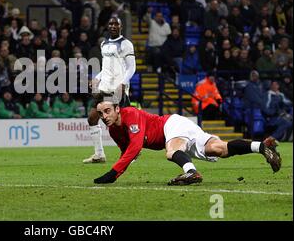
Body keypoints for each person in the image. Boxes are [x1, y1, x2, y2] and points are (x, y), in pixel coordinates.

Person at [92, 98, 282, 185]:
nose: (104, 116)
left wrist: (113, 173)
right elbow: (127, 150)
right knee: (219, 149)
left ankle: (191, 173)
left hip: (171, 126)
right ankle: (262, 146)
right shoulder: (113, 129)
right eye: (100, 113)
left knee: (171, 152)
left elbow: (134, 146)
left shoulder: (130, 114)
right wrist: (126, 159)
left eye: (107, 110)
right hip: (181, 127)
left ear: (117, 108)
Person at [83, 16, 136, 164]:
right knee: (92, 118)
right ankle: (99, 154)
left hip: (117, 88)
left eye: (116, 24)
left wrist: (123, 83)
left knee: (121, 123)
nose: (113, 26)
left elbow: (132, 67)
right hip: (104, 87)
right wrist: (97, 78)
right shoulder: (104, 44)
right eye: (110, 23)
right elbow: (106, 68)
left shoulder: (126, 44)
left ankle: (130, 153)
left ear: (121, 26)